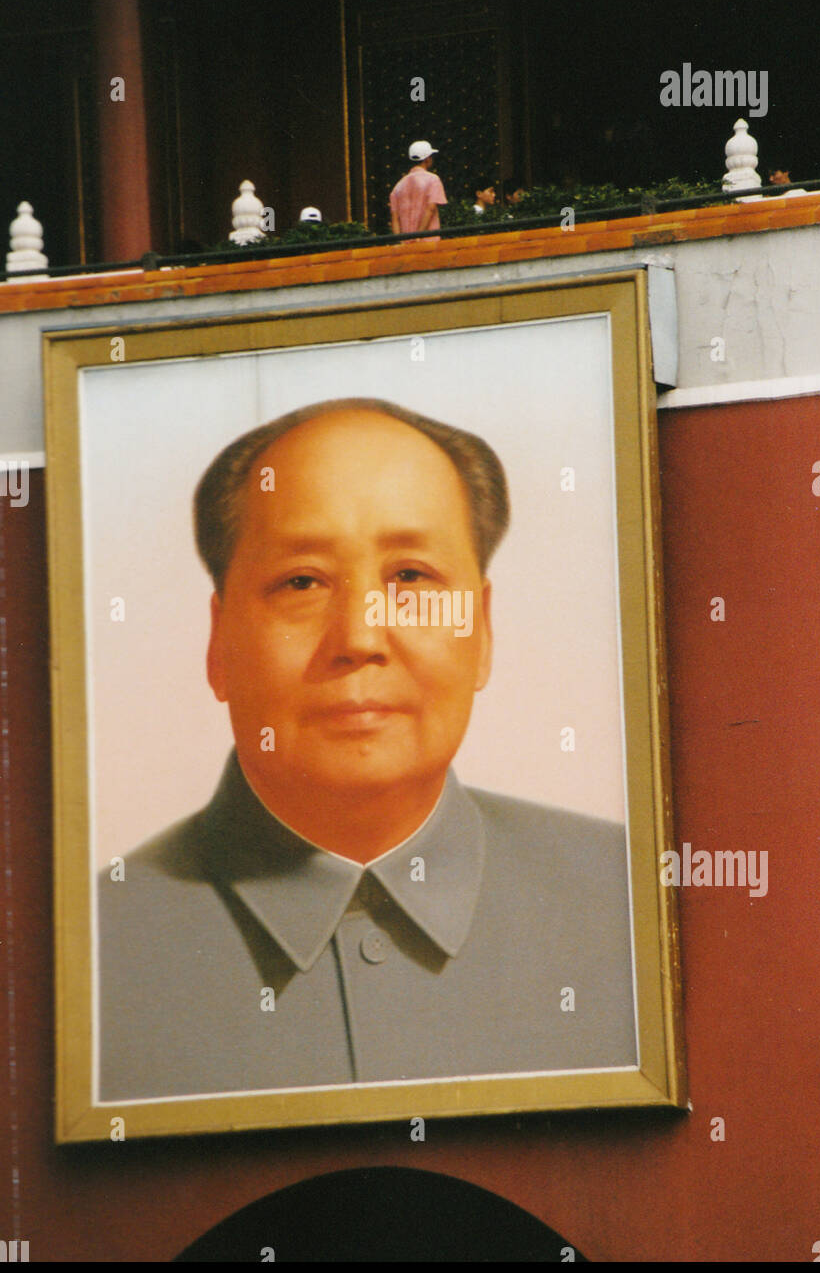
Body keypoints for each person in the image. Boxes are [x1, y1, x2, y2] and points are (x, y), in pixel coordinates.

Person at [98, 399, 636, 1100]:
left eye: (411, 578)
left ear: (483, 629)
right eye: (302, 583)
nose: (359, 636)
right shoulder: (90, 953)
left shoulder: (631, 907)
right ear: (219, 641)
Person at [389, 140, 447, 236]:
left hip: (406, 244)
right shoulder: (433, 179)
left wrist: (399, 241)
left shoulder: (398, 186)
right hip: (428, 240)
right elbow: (430, 209)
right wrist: (419, 235)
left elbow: (395, 218)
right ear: (427, 159)